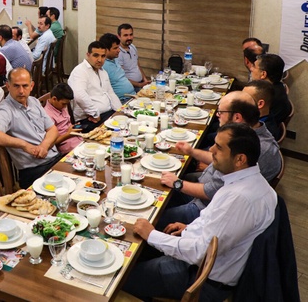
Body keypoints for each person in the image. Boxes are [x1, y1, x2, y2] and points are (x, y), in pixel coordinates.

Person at [123, 122, 277, 302]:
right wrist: (189, 228)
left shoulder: (240, 199)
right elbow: (216, 225)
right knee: (138, 251)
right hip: (203, 262)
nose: (211, 150)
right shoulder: (252, 183)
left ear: (240, 159)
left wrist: (152, 235)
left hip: (200, 279)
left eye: (219, 147)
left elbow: (200, 252)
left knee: (122, 275)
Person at [156, 91, 282, 229]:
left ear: (237, 117)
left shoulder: (256, 148)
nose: (217, 115)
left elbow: (211, 191)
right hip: (203, 189)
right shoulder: (247, 133)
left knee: (155, 217)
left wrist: (178, 184)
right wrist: (191, 151)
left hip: (207, 208)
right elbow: (222, 159)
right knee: (159, 188)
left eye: (220, 112)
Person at [0, 68, 61, 188]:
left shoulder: (34, 102)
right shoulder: (5, 110)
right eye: (16, 86)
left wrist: (44, 146)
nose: (21, 91)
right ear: (8, 86)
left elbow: (53, 129)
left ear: (31, 86)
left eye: (25, 86)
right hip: (34, 170)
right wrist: (24, 145)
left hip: (54, 159)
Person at [68, 41, 122, 132]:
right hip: (89, 119)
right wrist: (95, 113)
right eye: (96, 55)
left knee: (129, 123)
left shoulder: (102, 72)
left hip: (107, 113)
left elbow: (110, 93)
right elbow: (79, 95)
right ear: (88, 55)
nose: (100, 60)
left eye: (103, 56)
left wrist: (120, 111)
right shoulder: (80, 71)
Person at [250, 53, 291, 125]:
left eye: (254, 66)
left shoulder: (266, 97)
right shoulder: (278, 86)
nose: (251, 69)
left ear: (263, 74)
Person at [43, 83, 82, 154]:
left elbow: (68, 123)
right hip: (68, 146)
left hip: (78, 138)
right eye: (64, 104)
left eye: (67, 104)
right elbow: (50, 142)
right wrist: (68, 134)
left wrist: (74, 127)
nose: (65, 107)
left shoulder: (60, 106)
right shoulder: (47, 115)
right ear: (54, 99)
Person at [100, 32, 136, 102]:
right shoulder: (103, 66)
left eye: (118, 47)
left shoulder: (116, 59)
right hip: (122, 100)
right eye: (115, 48)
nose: (119, 50)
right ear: (105, 50)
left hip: (133, 96)